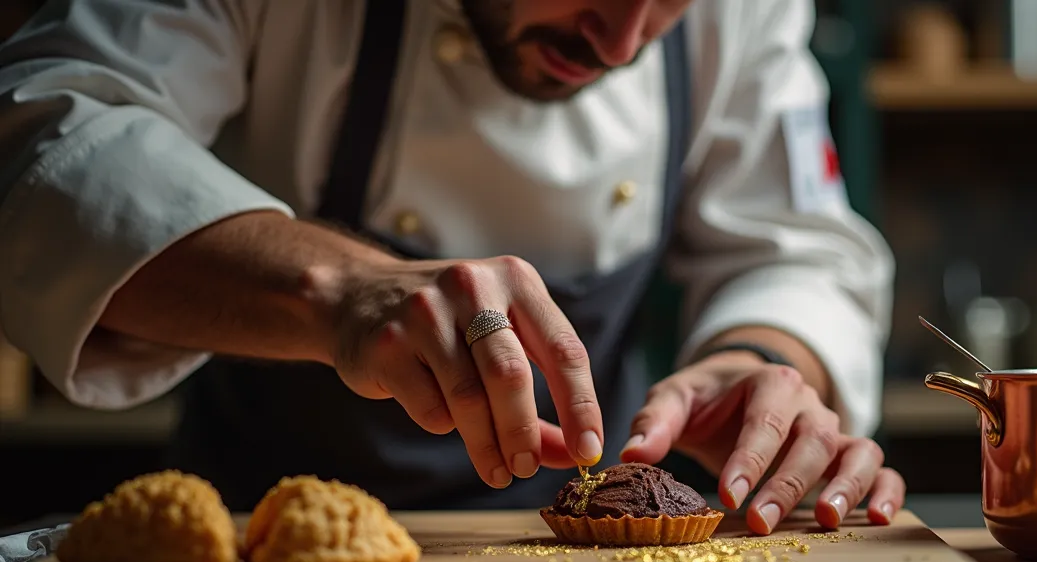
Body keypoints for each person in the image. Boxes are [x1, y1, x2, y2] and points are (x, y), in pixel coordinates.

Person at [0, 0, 901, 535]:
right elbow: (41, 139)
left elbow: (799, 245)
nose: (623, 43)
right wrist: (340, 289)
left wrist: (757, 362)